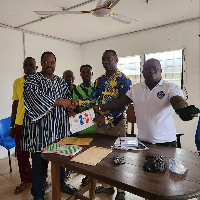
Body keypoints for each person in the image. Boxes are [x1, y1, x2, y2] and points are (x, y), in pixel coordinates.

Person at [94, 58, 195, 147]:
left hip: (166, 143)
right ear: (143, 72)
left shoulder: (170, 88)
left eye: (155, 68)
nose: (151, 71)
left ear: (161, 70)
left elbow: (178, 101)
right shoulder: (135, 88)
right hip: (143, 142)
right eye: (147, 69)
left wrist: (183, 110)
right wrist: (99, 107)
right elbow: (119, 103)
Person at [75, 50, 132, 200]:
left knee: (118, 157)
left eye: (109, 59)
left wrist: (105, 117)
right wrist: (78, 103)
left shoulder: (124, 80)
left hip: (116, 124)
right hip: (101, 125)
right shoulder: (99, 80)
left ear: (116, 60)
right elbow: (93, 100)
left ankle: (121, 191)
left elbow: (123, 106)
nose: (106, 62)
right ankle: (107, 187)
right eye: (103, 59)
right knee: (102, 155)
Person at [21, 52, 77, 200]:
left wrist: (71, 107)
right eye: (46, 62)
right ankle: (37, 194)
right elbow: (34, 98)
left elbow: (67, 98)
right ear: (41, 63)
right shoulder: (32, 80)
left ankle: (62, 185)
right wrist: (59, 102)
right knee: (39, 164)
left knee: (60, 161)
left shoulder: (60, 81)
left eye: (52, 62)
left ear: (55, 64)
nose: (49, 65)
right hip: (40, 131)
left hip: (58, 130)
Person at [9, 57, 37, 194]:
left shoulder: (42, 82)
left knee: (39, 154)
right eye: (26, 65)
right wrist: (11, 126)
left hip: (38, 123)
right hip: (21, 123)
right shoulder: (17, 82)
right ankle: (26, 179)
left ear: (36, 67)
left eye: (31, 65)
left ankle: (41, 179)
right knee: (22, 154)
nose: (28, 67)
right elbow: (15, 104)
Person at [72, 64, 97, 132]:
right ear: (80, 74)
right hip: (82, 126)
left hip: (96, 125)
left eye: (88, 72)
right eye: (83, 72)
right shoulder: (76, 90)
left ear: (92, 73)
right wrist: (77, 111)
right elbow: (73, 107)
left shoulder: (97, 88)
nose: (86, 74)